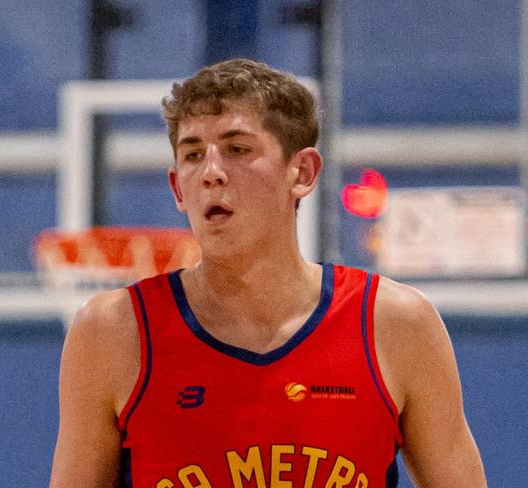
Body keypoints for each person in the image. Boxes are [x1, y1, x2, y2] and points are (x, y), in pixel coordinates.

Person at [49, 58, 487, 488]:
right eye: (193, 154)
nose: (211, 173)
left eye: (237, 149)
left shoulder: (395, 324)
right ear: (177, 187)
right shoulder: (112, 333)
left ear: (303, 172)